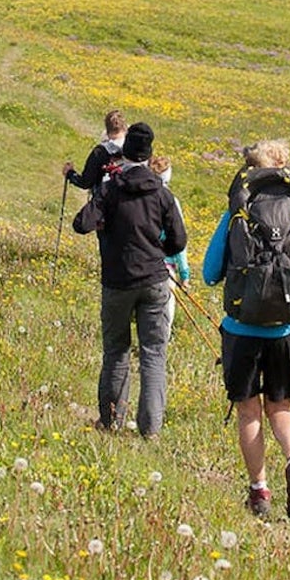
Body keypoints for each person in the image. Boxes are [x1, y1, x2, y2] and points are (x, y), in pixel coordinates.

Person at [203, 139, 290, 520]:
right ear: (284, 169)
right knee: (282, 407)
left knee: (248, 411)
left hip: (242, 329)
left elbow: (210, 274)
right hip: (288, 329)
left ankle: (259, 491)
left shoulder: (236, 213)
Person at [73, 122, 187, 437]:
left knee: (116, 351)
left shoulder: (110, 189)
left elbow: (81, 223)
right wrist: (155, 250)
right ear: (149, 154)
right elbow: (179, 242)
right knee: (153, 353)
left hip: (117, 280)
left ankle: (111, 421)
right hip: (154, 279)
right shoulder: (162, 194)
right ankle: (150, 429)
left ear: (124, 153)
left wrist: (107, 226)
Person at [150, 154, 190, 335]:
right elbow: (179, 240)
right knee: (165, 316)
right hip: (166, 268)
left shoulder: (137, 196)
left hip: (139, 263)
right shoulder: (171, 201)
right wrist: (184, 273)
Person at [62, 109, 127, 195]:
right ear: (125, 127)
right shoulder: (137, 148)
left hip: (104, 201)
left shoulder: (100, 152)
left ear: (107, 130)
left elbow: (85, 182)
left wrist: (70, 173)